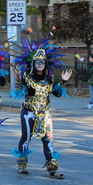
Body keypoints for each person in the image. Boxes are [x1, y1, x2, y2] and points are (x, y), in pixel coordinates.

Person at [10, 38, 72, 177]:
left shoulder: (49, 79)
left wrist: (63, 81)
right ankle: (22, 165)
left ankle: (52, 168)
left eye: (42, 61)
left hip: (45, 113)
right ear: (33, 63)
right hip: (29, 112)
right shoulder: (27, 76)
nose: (40, 64)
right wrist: (19, 80)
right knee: (26, 138)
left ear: (45, 64)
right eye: (37, 61)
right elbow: (23, 88)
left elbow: (56, 93)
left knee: (48, 139)